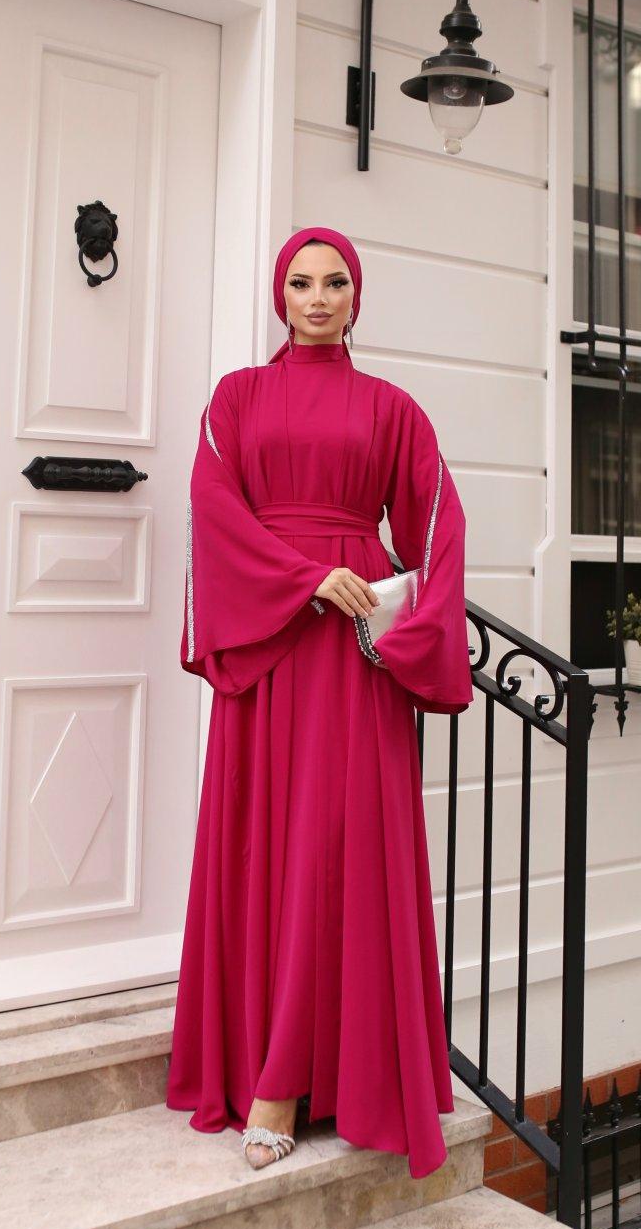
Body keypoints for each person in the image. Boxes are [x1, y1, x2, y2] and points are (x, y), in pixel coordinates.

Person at [165, 225, 473, 1179]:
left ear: (355, 296)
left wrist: (408, 627)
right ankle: (269, 1077)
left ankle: (316, 1078)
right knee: (268, 843)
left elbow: (437, 524)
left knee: (337, 847)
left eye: (335, 282)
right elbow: (213, 506)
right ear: (280, 295)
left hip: (352, 655)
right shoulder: (236, 399)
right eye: (301, 282)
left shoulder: (393, 410)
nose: (318, 297)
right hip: (274, 641)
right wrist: (302, 577)